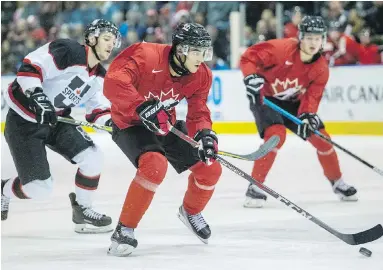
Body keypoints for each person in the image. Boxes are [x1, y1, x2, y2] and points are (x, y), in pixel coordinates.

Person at [103, 22, 222, 256]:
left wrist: (205, 134)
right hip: (129, 123)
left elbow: (198, 112)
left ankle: (190, 211)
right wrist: (140, 106)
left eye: (204, 52)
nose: (201, 58)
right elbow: (113, 82)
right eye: (196, 51)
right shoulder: (145, 55)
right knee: (154, 166)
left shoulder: (201, 75)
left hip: (164, 125)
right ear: (180, 50)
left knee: (211, 169)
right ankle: (124, 230)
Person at [1, 19, 121, 233]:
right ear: (92, 38)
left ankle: (83, 210)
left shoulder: (100, 76)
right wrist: (38, 96)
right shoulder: (68, 50)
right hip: (24, 122)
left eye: (113, 41)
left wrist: (112, 124)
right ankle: (3, 189)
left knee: (93, 157)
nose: (111, 45)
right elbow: (30, 69)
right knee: (39, 189)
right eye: (106, 39)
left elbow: (98, 111)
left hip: (56, 121)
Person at [239, 16, 358, 208]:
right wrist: (251, 77)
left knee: (322, 138)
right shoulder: (280, 50)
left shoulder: (321, 69)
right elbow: (249, 57)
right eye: (309, 37)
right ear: (301, 37)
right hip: (266, 99)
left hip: (293, 103)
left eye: (318, 38)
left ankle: (338, 182)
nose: (313, 42)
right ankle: (255, 186)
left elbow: (312, 97)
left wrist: (307, 115)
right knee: (276, 135)